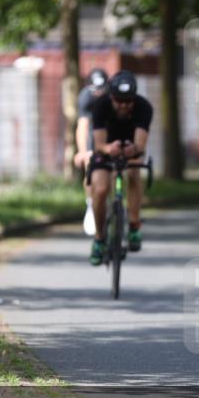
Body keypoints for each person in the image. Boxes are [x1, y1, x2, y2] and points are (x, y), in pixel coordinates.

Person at [88, 71, 153, 265]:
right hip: (106, 149)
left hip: (131, 148)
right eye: (119, 101)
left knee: (134, 171)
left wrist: (133, 149)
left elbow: (140, 145)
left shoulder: (144, 107)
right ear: (111, 97)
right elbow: (98, 143)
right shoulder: (100, 106)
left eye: (128, 101)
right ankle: (99, 238)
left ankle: (134, 225)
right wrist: (109, 148)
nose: (123, 105)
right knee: (100, 189)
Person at [76, 68, 109, 236]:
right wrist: (83, 152)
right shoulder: (85, 97)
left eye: (101, 90)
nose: (98, 94)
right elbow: (83, 126)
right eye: (95, 90)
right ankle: (91, 203)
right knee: (91, 165)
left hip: (111, 131)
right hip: (93, 134)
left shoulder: (113, 96)